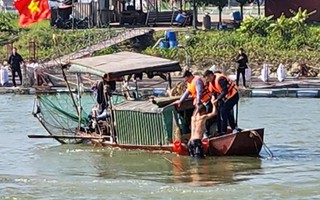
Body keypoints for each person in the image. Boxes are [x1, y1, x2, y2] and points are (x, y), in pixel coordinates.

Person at [175, 70, 213, 136]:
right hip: (201, 102)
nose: (185, 81)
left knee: (206, 118)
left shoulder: (197, 80)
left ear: (189, 76)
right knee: (196, 117)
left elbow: (199, 93)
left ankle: (207, 133)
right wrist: (181, 100)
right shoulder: (189, 83)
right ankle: (200, 133)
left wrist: (198, 103)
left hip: (206, 101)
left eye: (185, 78)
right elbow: (187, 92)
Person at [203, 70, 239, 136]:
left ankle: (224, 131)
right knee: (219, 111)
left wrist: (217, 99)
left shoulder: (220, 79)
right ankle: (220, 130)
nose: (208, 80)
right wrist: (213, 98)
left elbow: (224, 91)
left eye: (208, 78)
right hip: (226, 97)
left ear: (211, 75)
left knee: (223, 110)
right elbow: (213, 92)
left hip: (233, 96)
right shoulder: (211, 82)